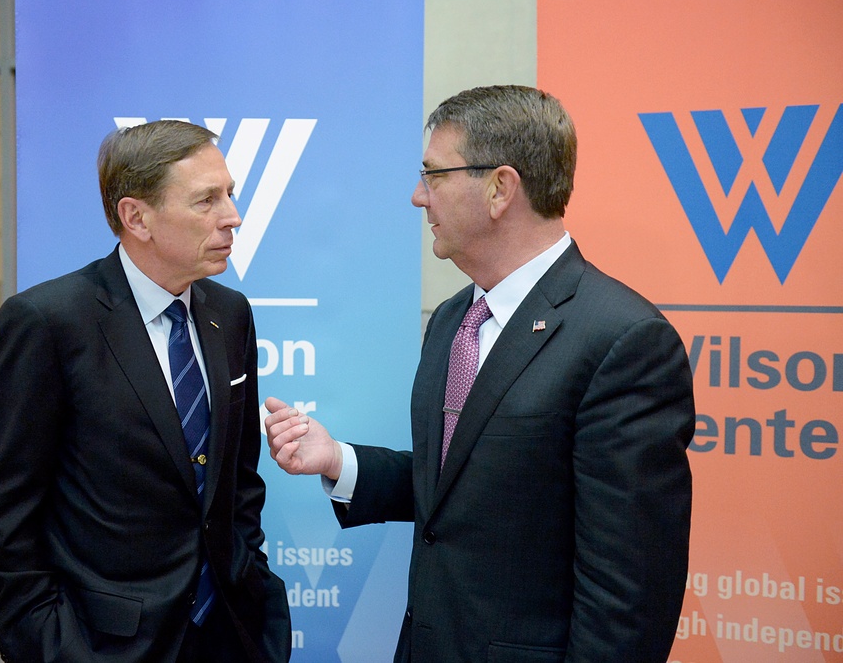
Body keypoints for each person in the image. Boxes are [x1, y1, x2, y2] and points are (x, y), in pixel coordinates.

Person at [264, 85, 694, 662]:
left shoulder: (622, 340)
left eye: (434, 175)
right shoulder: (452, 320)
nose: (418, 197)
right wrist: (337, 460)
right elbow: (462, 486)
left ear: (500, 188)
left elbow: (629, 592)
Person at [0, 120, 291, 662]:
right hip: (103, 645)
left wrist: (254, 586)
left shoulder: (229, 315)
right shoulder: (47, 323)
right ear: (135, 216)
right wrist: (52, 643)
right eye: (206, 200)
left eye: (229, 194)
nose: (233, 216)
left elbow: (236, 486)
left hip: (231, 633)